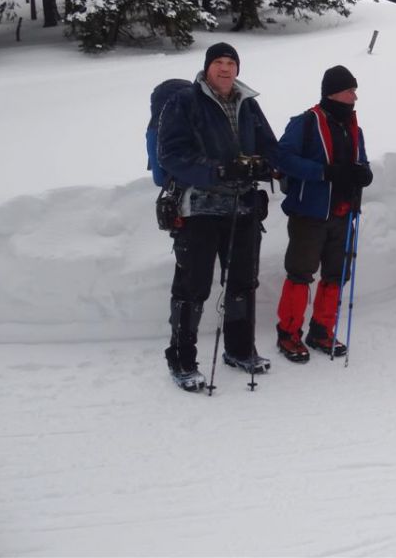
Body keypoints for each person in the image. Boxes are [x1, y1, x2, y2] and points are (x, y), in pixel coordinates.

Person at [157, 42, 278, 391]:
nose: (225, 69)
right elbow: (171, 154)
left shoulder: (248, 103)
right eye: (218, 63)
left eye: (231, 63)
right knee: (192, 287)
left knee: (243, 283)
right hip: (199, 209)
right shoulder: (184, 102)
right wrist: (218, 171)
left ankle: (239, 349)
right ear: (207, 67)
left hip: (243, 208)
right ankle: (181, 358)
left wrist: (267, 165)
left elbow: (269, 145)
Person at [274, 65, 372, 361]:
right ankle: (288, 335)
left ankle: (321, 330)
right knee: (300, 274)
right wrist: (323, 172)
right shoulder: (305, 123)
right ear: (333, 92)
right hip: (309, 213)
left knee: (336, 274)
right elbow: (281, 158)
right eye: (350, 90)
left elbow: (362, 162)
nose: (355, 96)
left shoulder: (355, 128)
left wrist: (363, 174)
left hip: (343, 214)